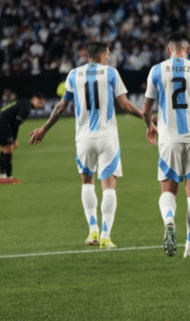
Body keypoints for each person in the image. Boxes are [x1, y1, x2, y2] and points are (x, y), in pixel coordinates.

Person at [29, 42, 145, 248]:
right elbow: (125, 105)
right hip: (107, 137)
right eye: (108, 54)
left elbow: (61, 107)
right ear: (101, 56)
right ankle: (106, 236)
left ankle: (92, 231)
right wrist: (147, 119)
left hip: (83, 138)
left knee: (87, 182)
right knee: (109, 185)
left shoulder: (73, 75)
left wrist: (44, 129)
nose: (109, 57)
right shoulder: (111, 73)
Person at [141, 32, 190, 258]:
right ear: (187, 50)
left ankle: (168, 221)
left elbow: (145, 109)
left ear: (168, 50)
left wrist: (149, 126)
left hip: (168, 139)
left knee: (168, 189)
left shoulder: (157, 70)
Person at [0, 92, 45, 184]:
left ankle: (3, 177)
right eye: (39, 103)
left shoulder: (23, 103)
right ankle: (9, 178)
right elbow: (15, 124)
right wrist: (14, 139)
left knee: (4, 149)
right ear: (34, 99)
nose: (40, 106)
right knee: (8, 150)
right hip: (2, 124)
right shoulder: (26, 108)